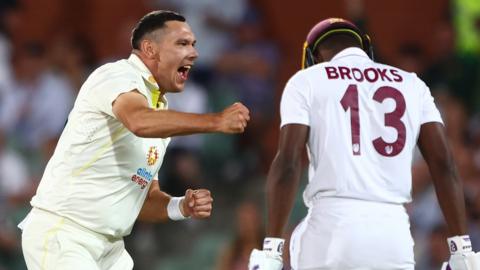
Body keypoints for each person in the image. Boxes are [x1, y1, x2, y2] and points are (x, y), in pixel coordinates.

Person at [19, 10, 250, 270]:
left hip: (110, 249)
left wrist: (181, 206)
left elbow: (144, 199)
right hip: (67, 232)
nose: (194, 53)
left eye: (194, 45)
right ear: (150, 49)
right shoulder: (117, 75)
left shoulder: (159, 114)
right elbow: (139, 121)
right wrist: (215, 121)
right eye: (182, 43)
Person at [248, 18, 480, 270]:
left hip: (332, 227)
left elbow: (288, 163)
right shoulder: (413, 84)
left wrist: (272, 250)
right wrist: (462, 250)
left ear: (315, 56)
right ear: (364, 48)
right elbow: (444, 163)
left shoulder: (306, 80)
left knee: (298, 240)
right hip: (394, 233)